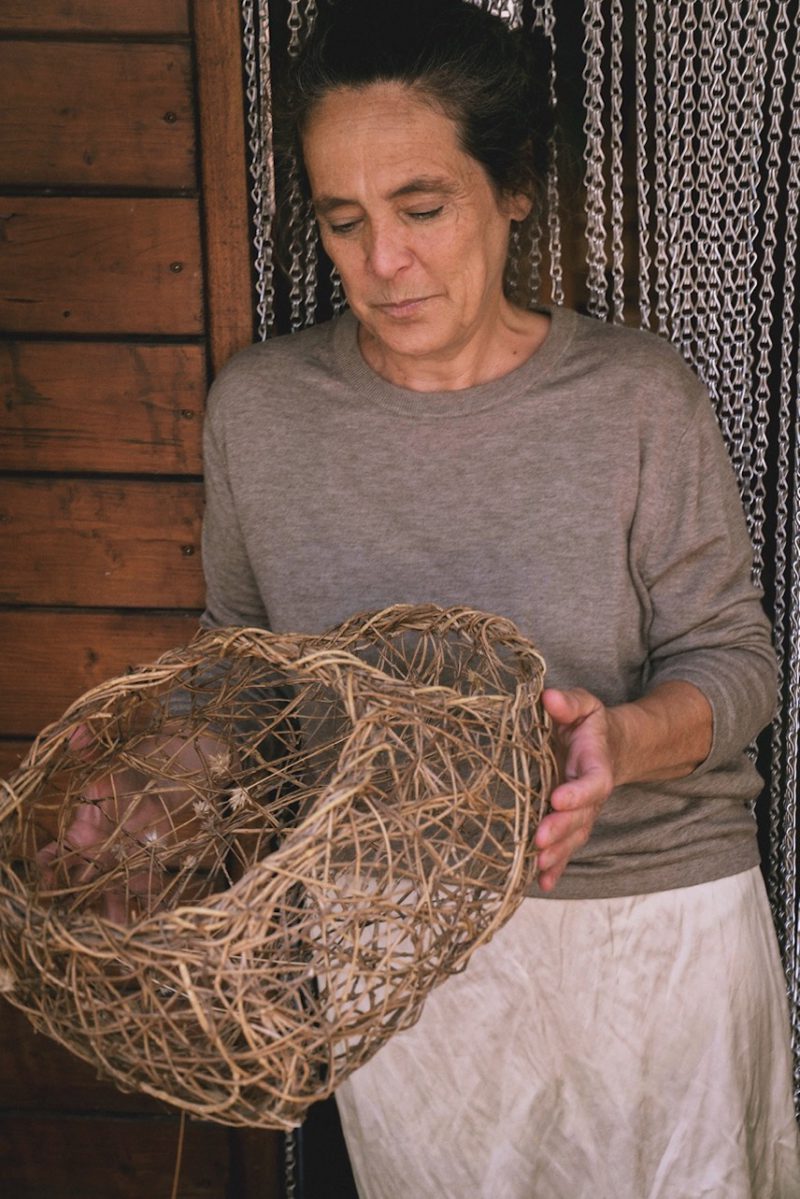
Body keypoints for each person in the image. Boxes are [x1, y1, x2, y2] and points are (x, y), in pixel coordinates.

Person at [46, 0, 800, 1193]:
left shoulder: (636, 397)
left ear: (510, 193)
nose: (380, 263)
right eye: (342, 222)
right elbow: (244, 662)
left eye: (421, 207)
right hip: (392, 939)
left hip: (646, 924)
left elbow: (735, 663)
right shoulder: (260, 410)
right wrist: (164, 774)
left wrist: (619, 740)